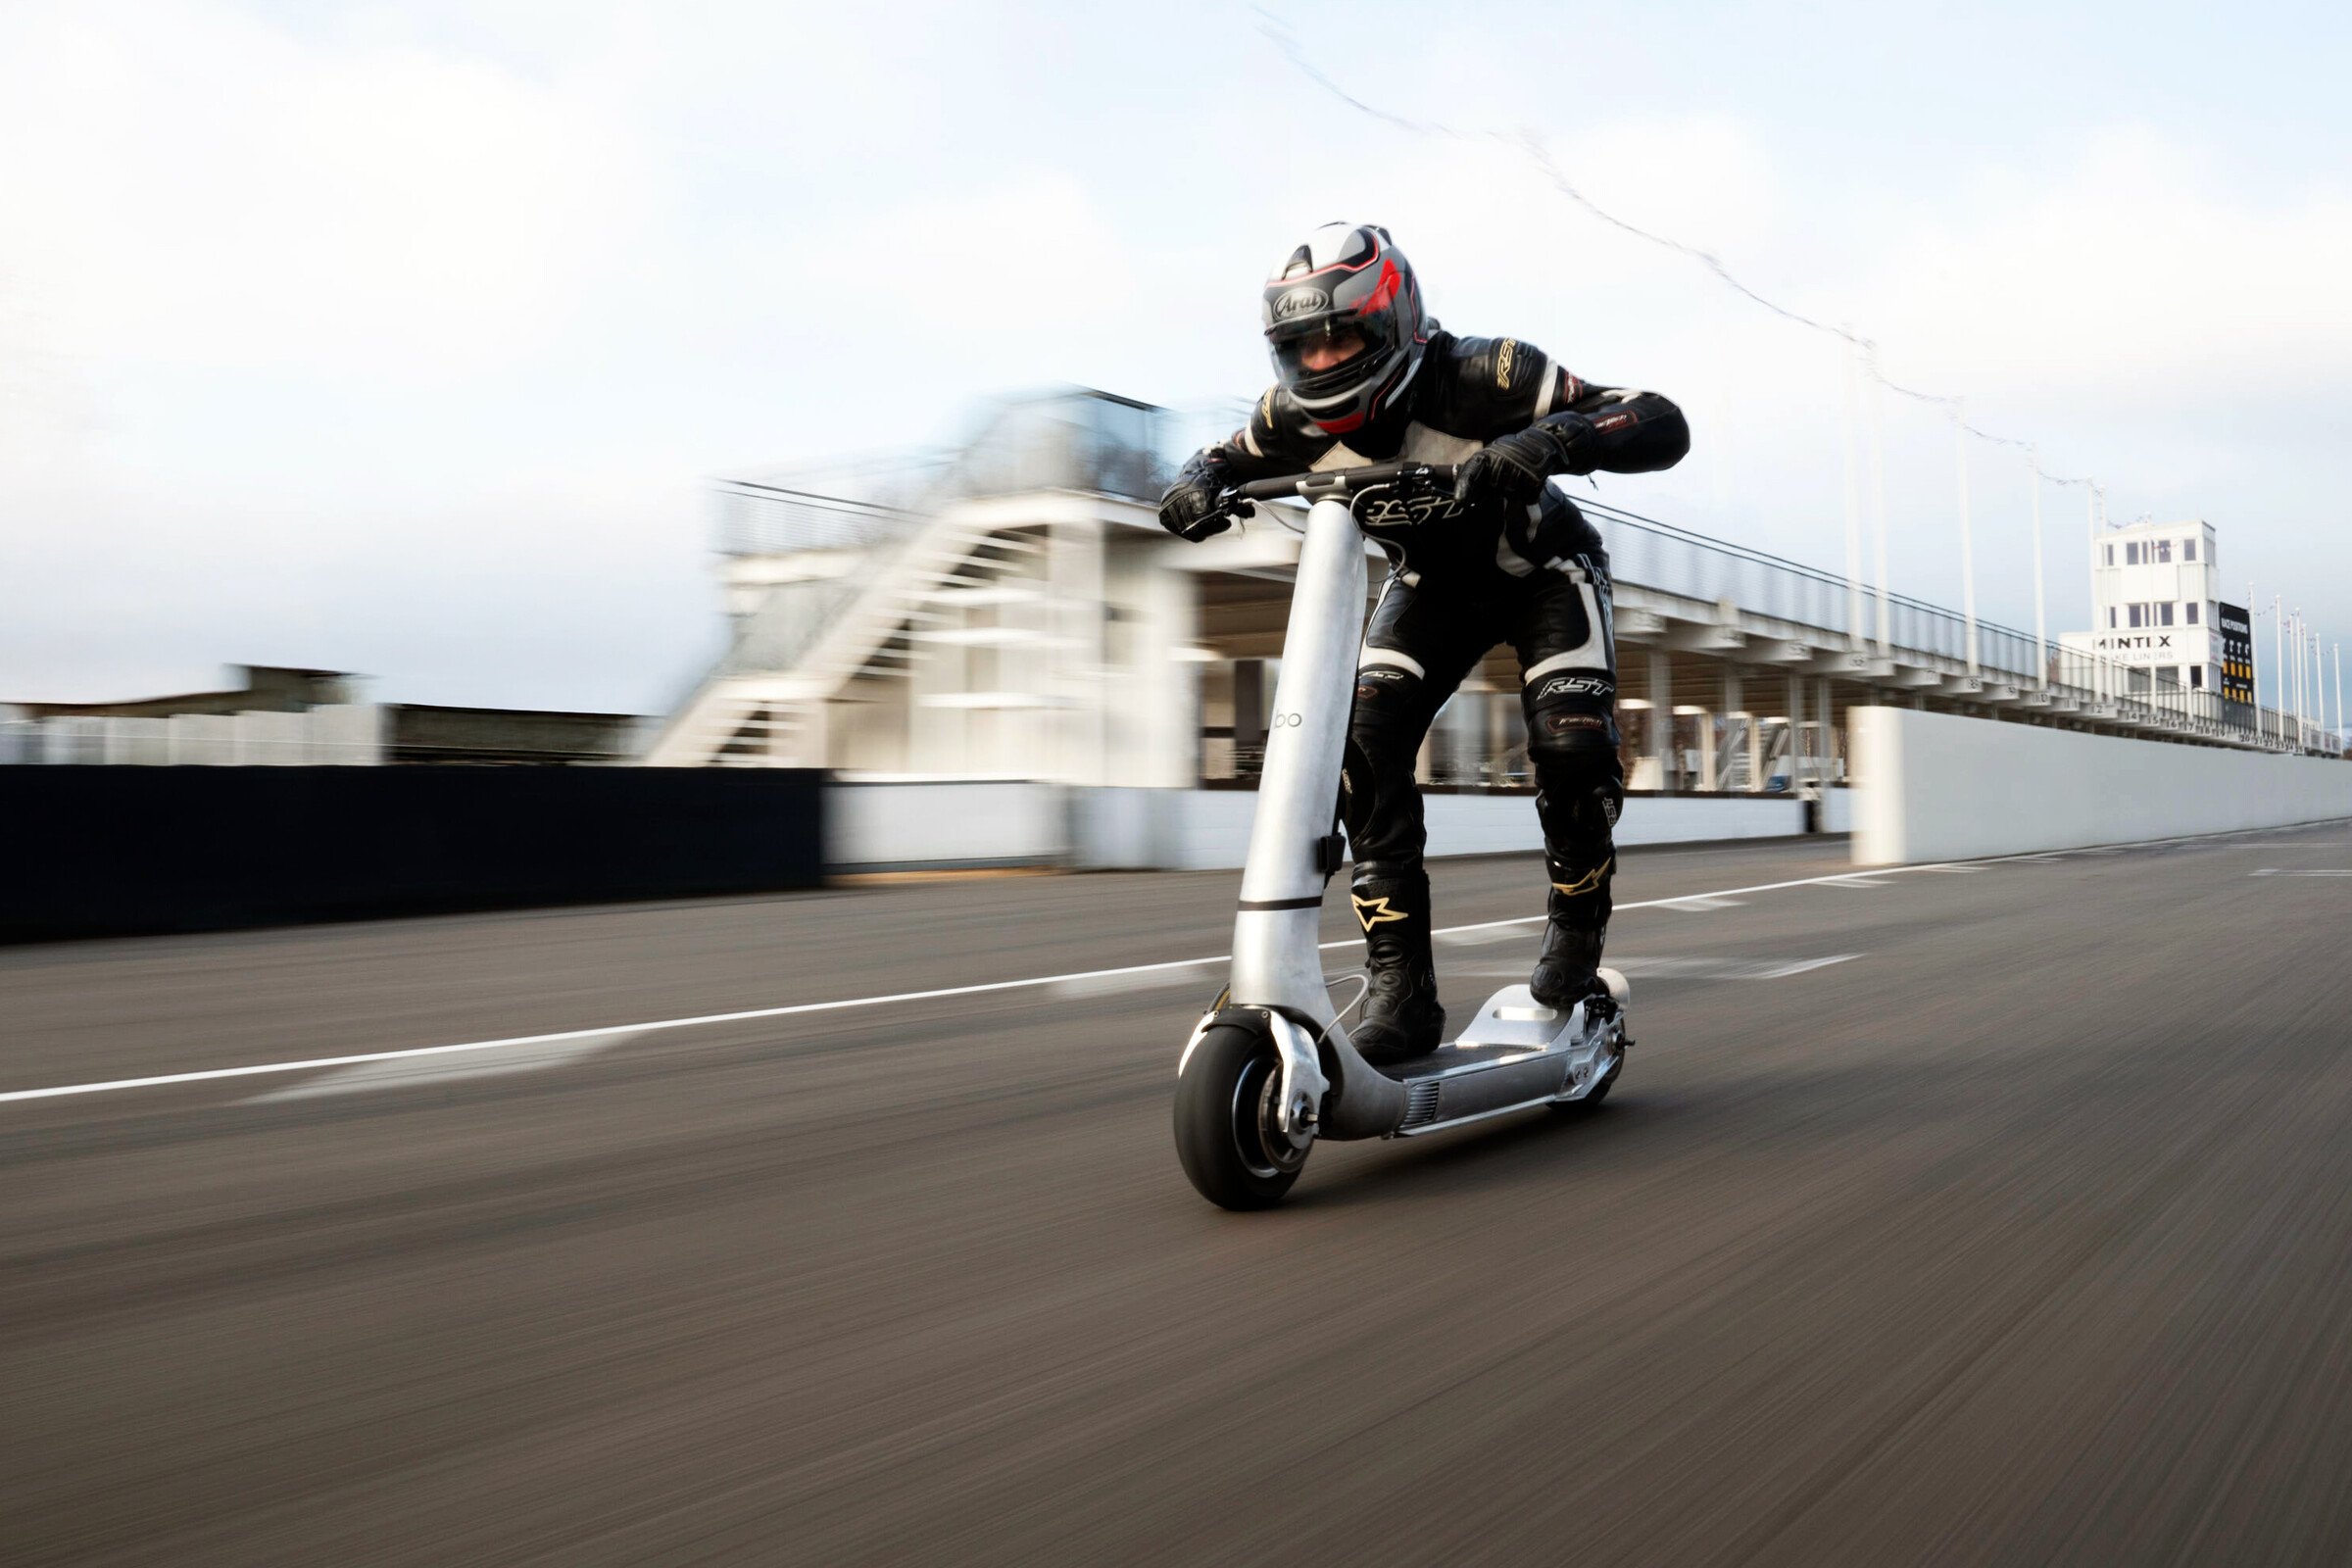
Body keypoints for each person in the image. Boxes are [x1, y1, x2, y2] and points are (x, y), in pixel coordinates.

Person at [1158, 222, 1689, 1064]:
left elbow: (1660, 420)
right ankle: (1401, 987)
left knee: (1570, 748)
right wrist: (1191, 489)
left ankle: (1578, 932)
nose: (1325, 362)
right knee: (1358, 746)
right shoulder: (1284, 420)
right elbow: (1213, 460)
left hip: (1545, 570)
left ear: (1398, 320)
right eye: (1303, 347)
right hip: (1430, 590)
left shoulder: (1489, 371)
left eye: (1344, 336)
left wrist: (1549, 440)